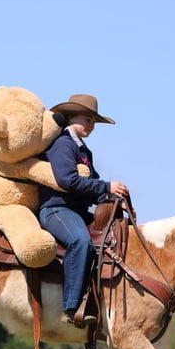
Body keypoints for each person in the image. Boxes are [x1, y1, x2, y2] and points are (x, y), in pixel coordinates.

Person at [38, 94, 129, 327]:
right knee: (80, 241)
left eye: (94, 122)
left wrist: (113, 198)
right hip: (57, 210)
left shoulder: (83, 150)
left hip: (76, 212)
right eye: (87, 120)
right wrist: (106, 187)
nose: (91, 125)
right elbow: (67, 181)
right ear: (71, 118)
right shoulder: (62, 144)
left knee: (113, 236)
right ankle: (71, 306)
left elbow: (93, 186)